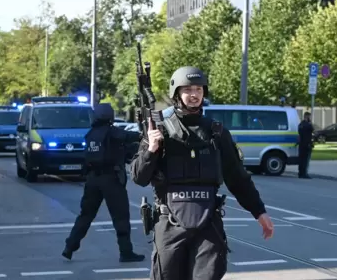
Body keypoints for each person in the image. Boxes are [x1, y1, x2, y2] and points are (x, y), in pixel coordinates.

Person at [130, 66, 274, 280]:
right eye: (187, 89)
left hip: (208, 223)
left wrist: (259, 212)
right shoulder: (159, 129)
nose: (194, 94)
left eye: (198, 89)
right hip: (170, 224)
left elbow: (238, 177)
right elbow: (139, 177)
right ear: (176, 93)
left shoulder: (216, 132)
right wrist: (151, 149)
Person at [62, 103, 145, 263]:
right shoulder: (112, 132)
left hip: (92, 180)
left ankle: (70, 247)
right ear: (110, 116)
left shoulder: (91, 134)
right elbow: (131, 137)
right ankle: (126, 252)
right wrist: (146, 133)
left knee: (85, 215)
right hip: (111, 179)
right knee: (120, 216)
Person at [298, 111, 314, 179]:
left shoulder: (300, 124)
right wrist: (310, 122)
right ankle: (304, 174)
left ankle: (300, 173)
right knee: (306, 160)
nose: (310, 118)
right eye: (309, 117)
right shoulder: (308, 125)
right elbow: (312, 129)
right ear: (307, 117)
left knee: (301, 160)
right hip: (307, 144)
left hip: (301, 144)